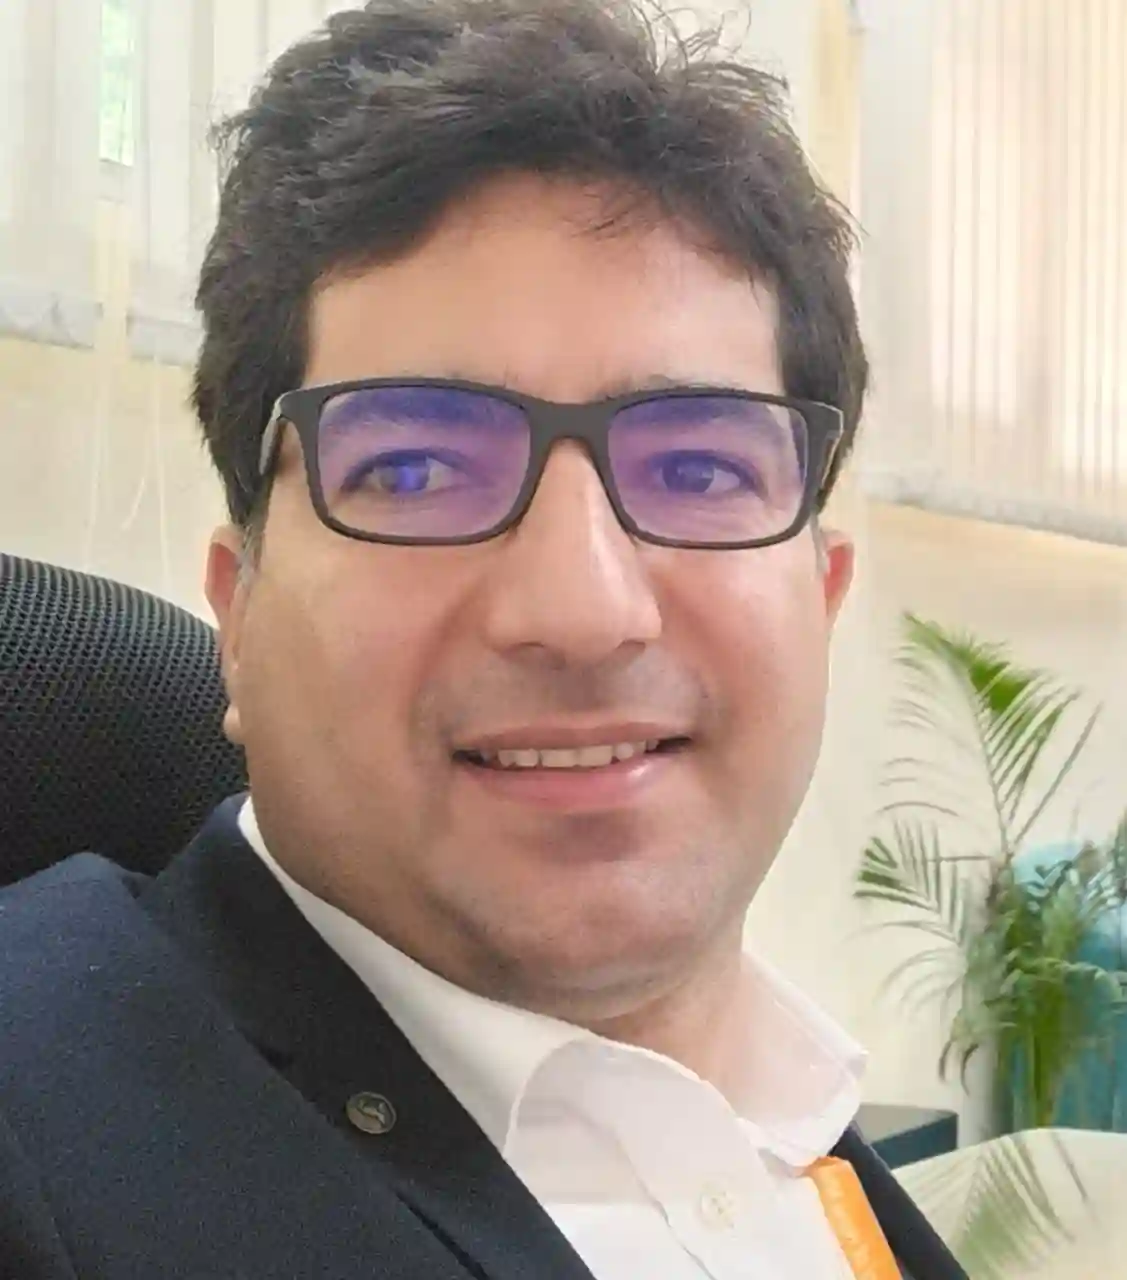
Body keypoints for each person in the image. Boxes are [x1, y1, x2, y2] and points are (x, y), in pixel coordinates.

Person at [0, 2, 965, 1277]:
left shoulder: (815, 1142)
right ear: (238, 613)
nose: (582, 608)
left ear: (820, 598)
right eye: (411, 470)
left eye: (697, 467)